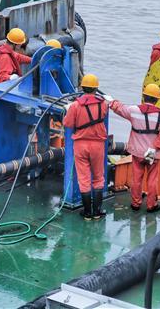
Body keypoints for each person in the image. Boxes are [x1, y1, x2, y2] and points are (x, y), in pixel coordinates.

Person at [111, 83, 160, 212]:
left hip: (137, 152)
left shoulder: (134, 111)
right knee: (152, 180)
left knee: (136, 179)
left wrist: (111, 102)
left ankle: (136, 203)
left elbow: (119, 108)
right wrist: (154, 148)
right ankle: (151, 205)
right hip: (152, 154)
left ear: (144, 96)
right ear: (157, 99)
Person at [63, 74, 109, 220]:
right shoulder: (103, 104)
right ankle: (97, 211)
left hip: (81, 145)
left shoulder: (76, 105)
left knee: (83, 179)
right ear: (96, 88)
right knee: (98, 178)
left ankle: (87, 213)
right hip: (98, 145)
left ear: (82, 87)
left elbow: (68, 124)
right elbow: (105, 111)